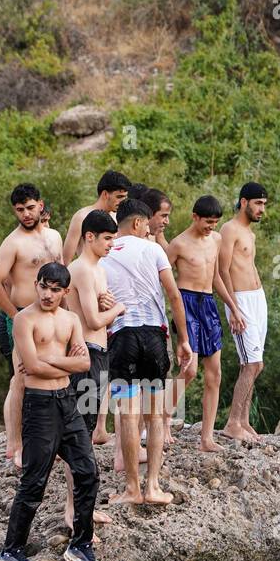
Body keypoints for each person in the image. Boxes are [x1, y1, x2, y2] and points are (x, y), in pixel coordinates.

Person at [0, 262, 104, 561]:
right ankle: (11, 552)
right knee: (34, 481)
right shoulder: (23, 320)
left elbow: (84, 362)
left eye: (56, 289)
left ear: (65, 292)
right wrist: (65, 364)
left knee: (88, 472)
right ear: (37, 284)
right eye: (44, 286)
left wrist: (55, 360)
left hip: (68, 403)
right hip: (40, 406)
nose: (48, 293)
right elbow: (31, 367)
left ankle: (81, 545)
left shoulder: (71, 320)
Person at [103, 198, 194, 505]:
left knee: (128, 417)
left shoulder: (104, 253)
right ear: (139, 223)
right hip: (154, 336)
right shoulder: (154, 249)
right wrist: (183, 340)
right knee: (155, 416)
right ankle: (153, 487)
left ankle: (131, 489)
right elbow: (174, 295)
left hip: (122, 336)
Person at [0, 183, 65, 468]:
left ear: (40, 205)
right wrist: (14, 316)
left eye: (30, 208)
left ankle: (51, 440)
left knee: (54, 377)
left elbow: (63, 274)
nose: (26, 214)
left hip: (54, 316)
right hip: (23, 314)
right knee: (21, 378)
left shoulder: (55, 236)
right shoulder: (13, 242)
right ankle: (15, 444)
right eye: (20, 210)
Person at [166, 195, 245, 452]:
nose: (211, 226)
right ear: (195, 217)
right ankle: (163, 419)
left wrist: (233, 307)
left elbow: (216, 278)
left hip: (208, 303)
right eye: (207, 222)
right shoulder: (178, 244)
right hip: (186, 302)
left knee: (215, 373)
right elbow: (161, 279)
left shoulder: (217, 239)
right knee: (189, 370)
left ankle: (207, 438)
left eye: (214, 222)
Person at [64, 210, 126, 533]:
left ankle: (79, 509)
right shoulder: (83, 270)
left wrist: (108, 307)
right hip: (86, 355)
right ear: (90, 237)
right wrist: (117, 308)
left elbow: (102, 317)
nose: (111, 245)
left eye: (114, 239)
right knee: (81, 437)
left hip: (99, 354)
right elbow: (92, 320)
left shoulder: (97, 269)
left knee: (84, 435)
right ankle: (75, 512)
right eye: (107, 239)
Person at [218, 182, 267, 444]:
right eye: (258, 204)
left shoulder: (250, 233)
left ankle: (244, 420)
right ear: (244, 201)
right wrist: (234, 308)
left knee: (254, 363)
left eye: (264, 205)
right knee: (252, 364)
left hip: (257, 299)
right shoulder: (229, 229)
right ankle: (232, 423)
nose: (261, 209)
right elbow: (223, 270)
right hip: (240, 301)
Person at [63, 169, 131, 263]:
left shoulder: (117, 217)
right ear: (105, 194)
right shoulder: (82, 217)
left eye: (125, 197)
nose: (123, 201)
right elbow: (66, 260)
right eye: (119, 197)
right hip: (88, 274)